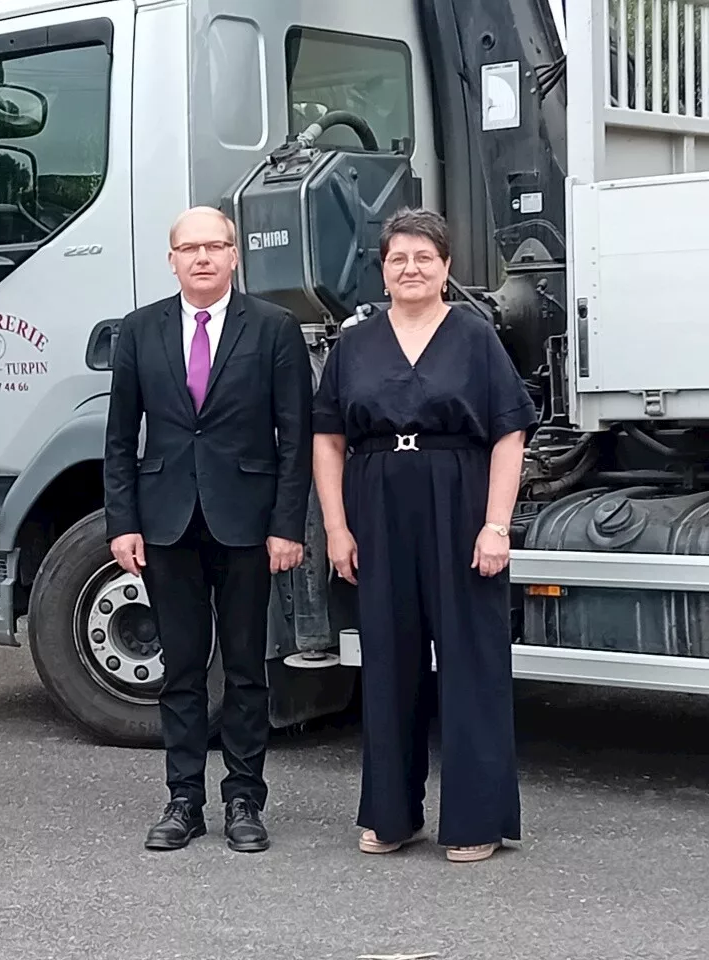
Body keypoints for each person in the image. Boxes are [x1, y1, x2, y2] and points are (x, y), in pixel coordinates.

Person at [310, 207, 537, 864]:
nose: (410, 269)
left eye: (423, 258)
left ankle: (476, 819)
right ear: (383, 269)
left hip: (460, 499)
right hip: (377, 500)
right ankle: (391, 814)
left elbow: (508, 435)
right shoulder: (353, 346)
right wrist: (336, 527)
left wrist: (496, 525)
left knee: (471, 661)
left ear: (446, 268)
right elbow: (328, 442)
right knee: (388, 662)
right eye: (397, 258)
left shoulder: (473, 337)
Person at [104, 206, 313, 852]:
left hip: (248, 524)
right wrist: (122, 523)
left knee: (248, 667)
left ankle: (245, 799)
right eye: (189, 247)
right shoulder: (138, 332)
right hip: (166, 523)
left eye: (214, 246)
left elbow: (295, 438)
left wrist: (287, 525)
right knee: (183, 669)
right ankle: (184, 799)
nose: (201, 257)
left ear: (233, 256)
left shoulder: (274, 329)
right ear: (171, 259)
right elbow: (119, 439)